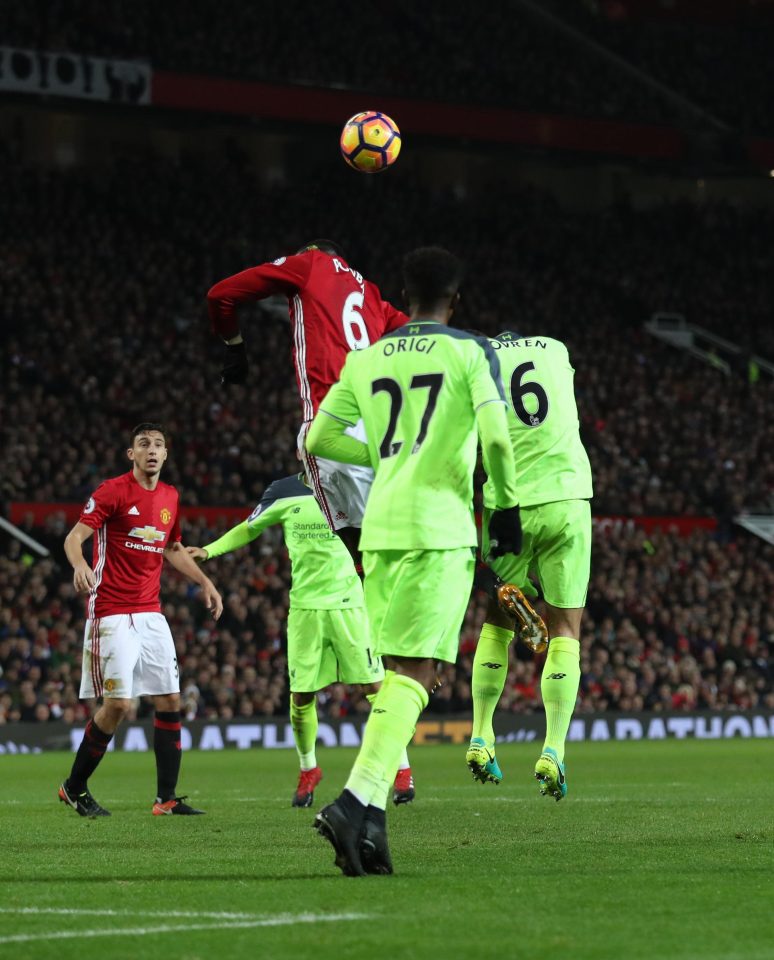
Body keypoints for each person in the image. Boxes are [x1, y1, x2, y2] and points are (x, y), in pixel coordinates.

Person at [305, 246, 522, 876]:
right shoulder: (468, 350)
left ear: (406, 296)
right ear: (455, 301)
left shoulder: (365, 357)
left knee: (398, 673)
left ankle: (370, 824)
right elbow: (498, 438)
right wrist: (503, 508)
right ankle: (350, 803)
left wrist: (385, 457)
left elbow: (318, 439)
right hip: (439, 527)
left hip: (380, 528)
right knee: (416, 677)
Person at [185, 472, 415, 808]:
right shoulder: (283, 491)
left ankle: (402, 768)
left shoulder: (350, 485)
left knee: (374, 688)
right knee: (301, 696)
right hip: (305, 609)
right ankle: (309, 770)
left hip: (349, 606)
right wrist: (209, 551)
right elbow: (249, 528)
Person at [58, 423, 223, 818]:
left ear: (166, 455)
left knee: (170, 699)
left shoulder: (170, 496)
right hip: (111, 611)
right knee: (118, 705)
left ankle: (165, 799)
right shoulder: (112, 491)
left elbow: (172, 547)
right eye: (144, 444)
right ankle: (73, 787)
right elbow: (73, 538)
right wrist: (80, 565)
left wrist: (205, 582)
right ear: (131, 454)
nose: (152, 450)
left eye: (159, 445)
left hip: (150, 612)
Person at [206, 240, 408, 559]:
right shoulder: (371, 293)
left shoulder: (309, 263)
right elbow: (420, 332)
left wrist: (234, 344)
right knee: (388, 552)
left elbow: (220, 294)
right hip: (382, 431)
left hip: (332, 427)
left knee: (365, 558)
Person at [466, 331, 593, 802]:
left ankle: (481, 734)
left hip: (506, 504)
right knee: (564, 629)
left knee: (496, 624)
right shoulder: (557, 348)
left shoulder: (476, 361)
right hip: (565, 496)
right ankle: (554, 749)